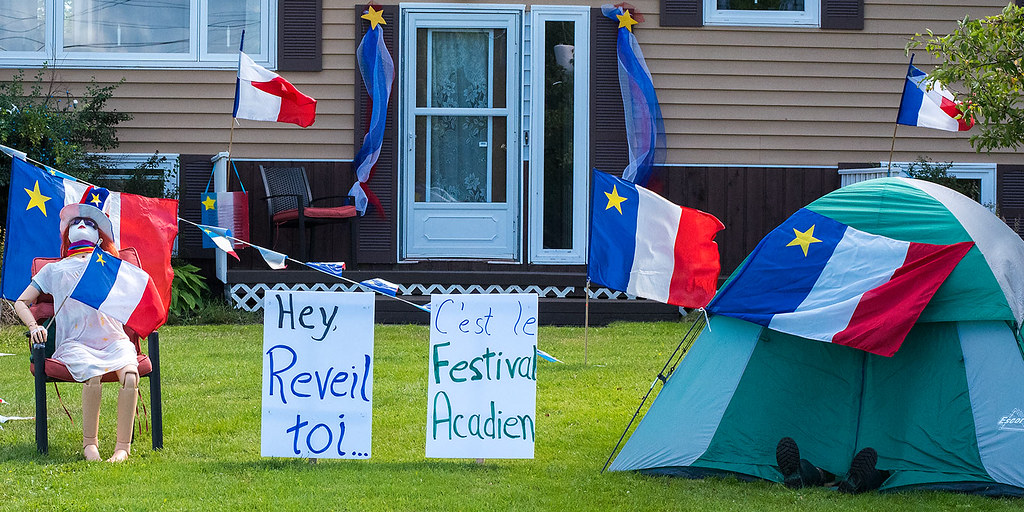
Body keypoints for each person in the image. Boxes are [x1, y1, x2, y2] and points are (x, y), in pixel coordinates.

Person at [13, 193, 140, 462]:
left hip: (113, 340)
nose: (82, 225)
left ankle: (122, 447)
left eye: (90, 223)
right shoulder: (53, 270)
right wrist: (34, 326)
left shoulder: (110, 267)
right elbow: (21, 302)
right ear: (67, 233)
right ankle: (90, 445)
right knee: (92, 376)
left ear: (99, 235)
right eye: (76, 222)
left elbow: (136, 298)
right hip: (76, 343)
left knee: (130, 377)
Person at [775, 437, 891, 493]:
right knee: (874, 474)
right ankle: (855, 482)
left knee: (809, 466)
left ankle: (799, 475)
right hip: (830, 468)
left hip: (823, 464)